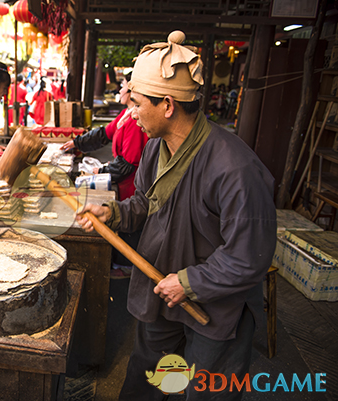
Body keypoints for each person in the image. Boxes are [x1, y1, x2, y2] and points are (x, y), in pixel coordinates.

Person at [75, 31, 276, 400]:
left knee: (205, 391)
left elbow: (250, 257)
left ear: (167, 105)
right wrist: (114, 212)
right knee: (148, 376)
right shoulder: (155, 149)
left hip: (214, 307)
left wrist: (188, 282)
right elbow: (148, 205)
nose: (131, 113)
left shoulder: (235, 169)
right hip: (162, 291)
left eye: (137, 103)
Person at [61, 72, 149, 278]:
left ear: (133, 91)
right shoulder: (125, 114)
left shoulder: (136, 122)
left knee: (130, 220)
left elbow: (127, 163)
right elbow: (104, 134)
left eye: (123, 85)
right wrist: (77, 142)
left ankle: (127, 268)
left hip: (131, 184)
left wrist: (100, 171)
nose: (120, 89)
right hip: (123, 181)